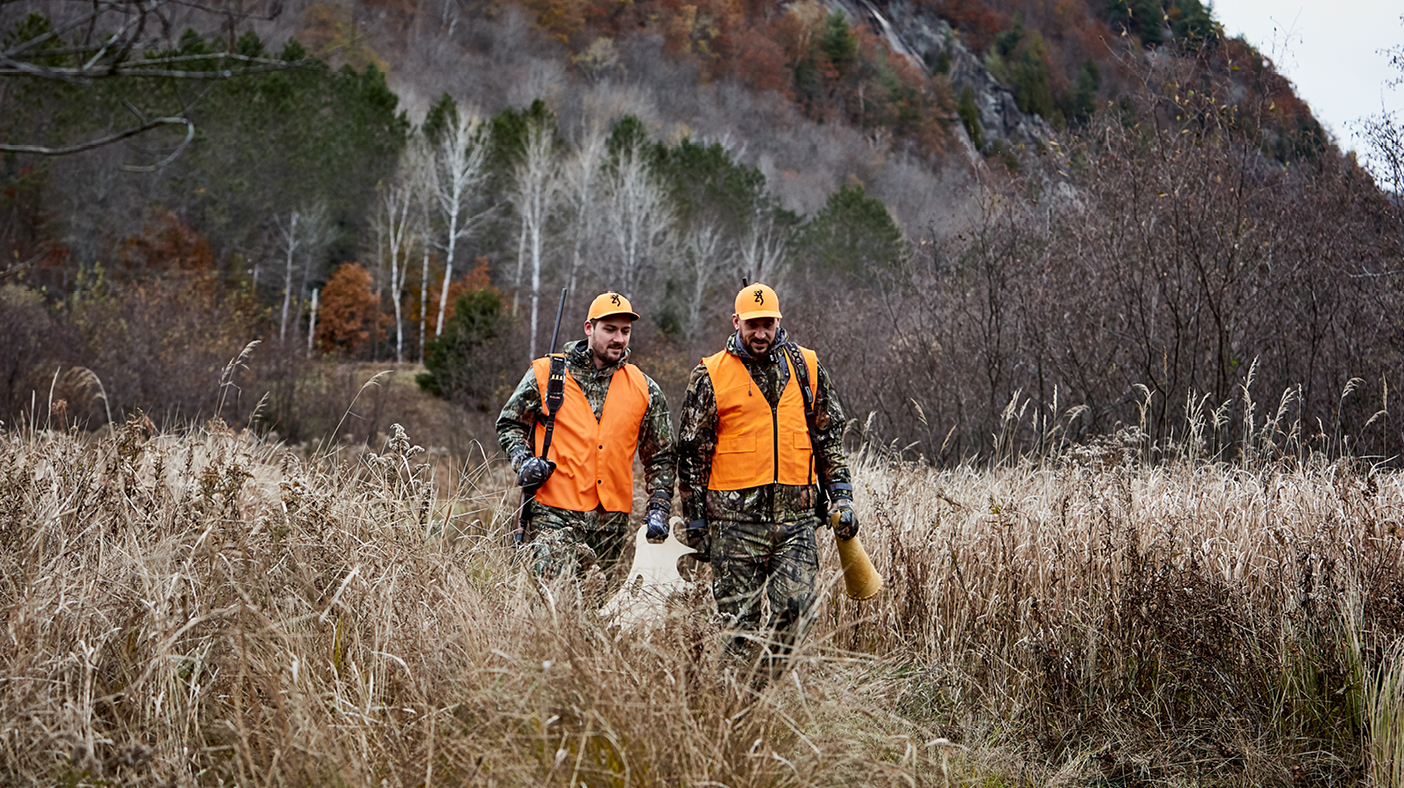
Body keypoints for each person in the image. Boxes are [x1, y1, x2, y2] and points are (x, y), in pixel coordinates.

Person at [676, 283, 857, 659]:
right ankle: (740, 693)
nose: (760, 334)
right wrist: (696, 524)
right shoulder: (710, 373)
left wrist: (842, 496)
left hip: (796, 521)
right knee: (737, 628)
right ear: (736, 322)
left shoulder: (807, 367)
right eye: (752, 325)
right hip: (733, 526)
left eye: (768, 324)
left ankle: (768, 682)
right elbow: (692, 454)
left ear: (778, 321)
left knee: (798, 612)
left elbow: (829, 437)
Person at [497, 292, 675, 584]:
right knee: (554, 599)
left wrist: (659, 506)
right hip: (554, 512)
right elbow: (510, 423)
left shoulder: (644, 388)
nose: (618, 338)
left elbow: (661, 455)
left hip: (611, 522)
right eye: (610, 329)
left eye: (625, 331)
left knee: (596, 602)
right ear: (589, 328)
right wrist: (524, 461)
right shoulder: (547, 373)